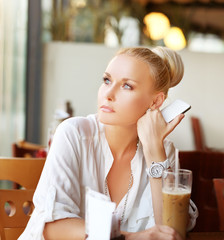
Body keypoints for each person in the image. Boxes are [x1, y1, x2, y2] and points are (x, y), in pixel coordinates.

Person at [19, 46, 197, 240]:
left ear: (155, 102)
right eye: (107, 80)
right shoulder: (73, 134)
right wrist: (130, 237)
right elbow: (53, 228)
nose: (108, 94)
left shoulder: (163, 151)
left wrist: (154, 150)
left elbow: (170, 232)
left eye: (126, 85)